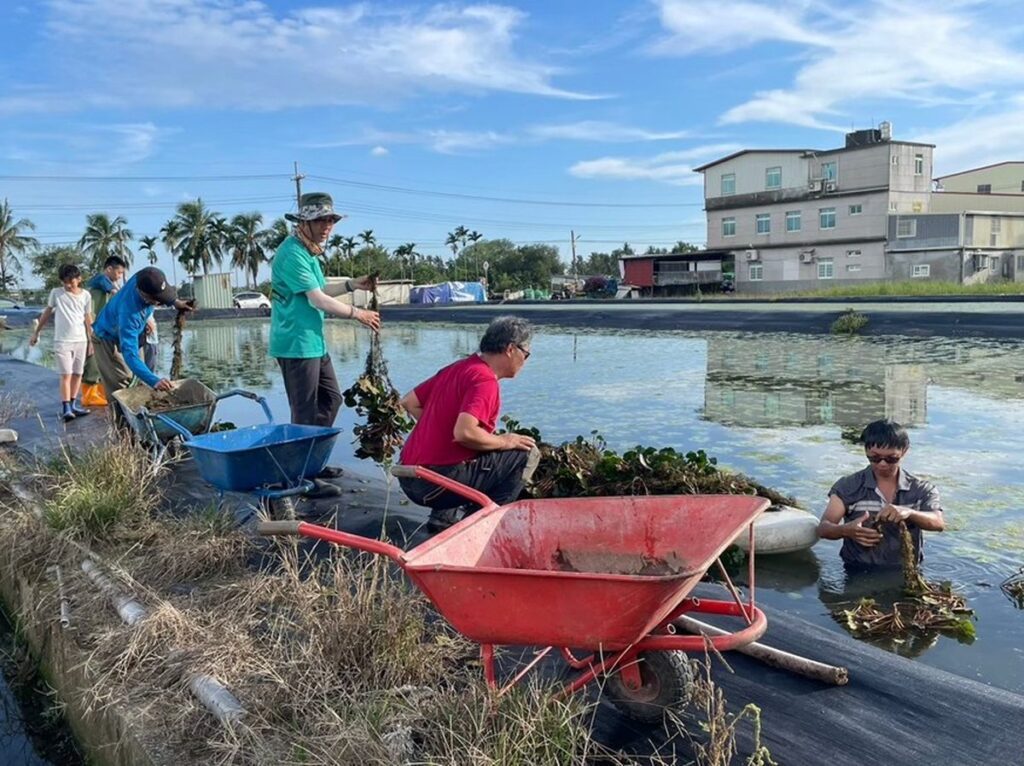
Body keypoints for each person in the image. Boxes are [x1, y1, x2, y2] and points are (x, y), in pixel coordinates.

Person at [269, 192, 381, 498]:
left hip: (313, 342)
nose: (326, 226)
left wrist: (351, 285)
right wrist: (358, 313)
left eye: (330, 220)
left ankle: (312, 463)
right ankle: (299, 477)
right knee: (304, 411)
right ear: (304, 222)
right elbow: (317, 299)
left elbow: (319, 289)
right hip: (295, 344)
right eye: (320, 220)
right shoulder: (292, 253)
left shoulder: (309, 252)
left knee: (332, 399)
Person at [397, 316, 540, 531]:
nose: (525, 362)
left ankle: (441, 520)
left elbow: (409, 402)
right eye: (526, 355)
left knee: (480, 441)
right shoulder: (485, 380)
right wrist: (505, 441)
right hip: (434, 486)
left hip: (408, 477)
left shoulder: (459, 367)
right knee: (527, 453)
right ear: (511, 349)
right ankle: (478, 528)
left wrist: (444, 432)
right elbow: (464, 433)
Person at [817, 419, 945, 568]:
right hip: (857, 569)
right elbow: (823, 528)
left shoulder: (921, 489)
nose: (882, 464)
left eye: (891, 458)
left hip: (906, 571)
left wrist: (910, 513)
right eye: (875, 458)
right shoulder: (847, 486)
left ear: (904, 451)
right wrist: (845, 531)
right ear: (865, 450)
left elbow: (938, 522)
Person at [91, 266, 194, 401]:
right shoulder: (130, 313)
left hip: (129, 331)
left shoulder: (146, 275)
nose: (159, 303)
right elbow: (130, 354)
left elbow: (160, 292)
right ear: (144, 295)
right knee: (122, 385)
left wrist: (176, 302)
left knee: (139, 378)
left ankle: (139, 414)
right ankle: (121, 419)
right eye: (158, 300)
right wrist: (155, 381)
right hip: (106, 337)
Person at [29, 264, 93, 421]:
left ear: (79, 279)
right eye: (65, 282)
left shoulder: (85, 295)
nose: (68, 285)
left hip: (81, 340)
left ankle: (73, 404)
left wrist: (92, 340)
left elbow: (88, 318)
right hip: (62, 341)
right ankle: (66, 408)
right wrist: (37, 332)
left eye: (71, 281)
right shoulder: (56, 293)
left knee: (78, 374)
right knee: (66, 374)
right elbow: (47, 312)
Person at [81, 255, 128, 394]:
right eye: (118, 272)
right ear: (109, 269)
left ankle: (100, 392)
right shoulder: (98, 286)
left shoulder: (109, 287)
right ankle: (89, 394)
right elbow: (89, 313)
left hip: (106, 331)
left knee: (104, 364)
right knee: (93, 363)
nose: (120, 276)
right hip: (96, 330)